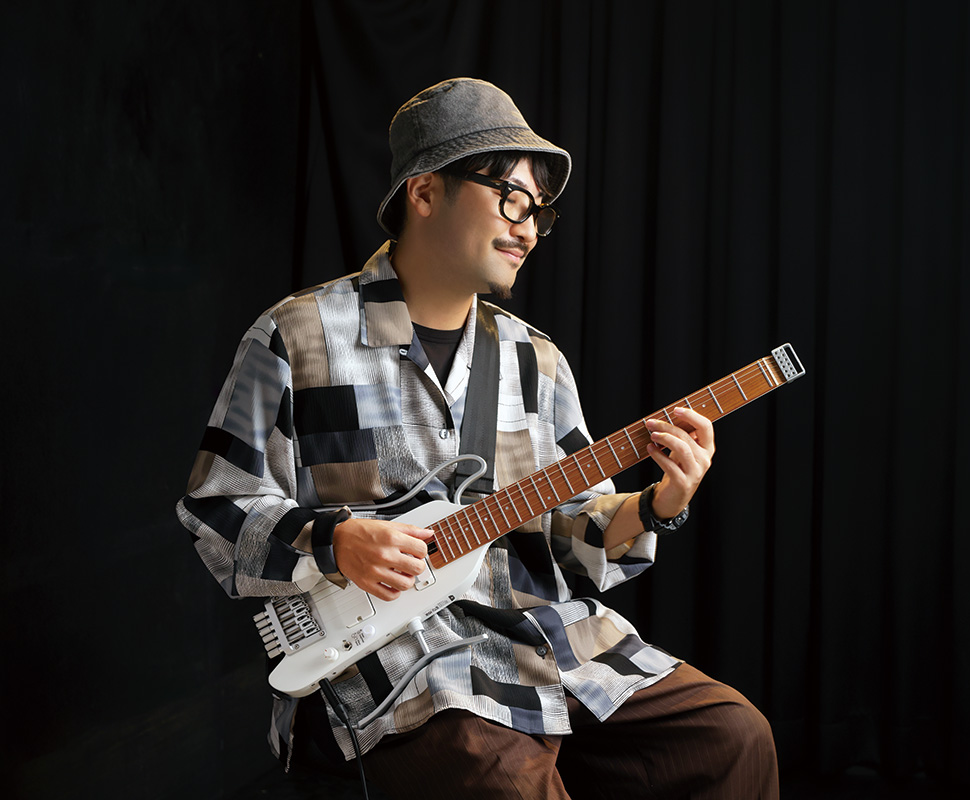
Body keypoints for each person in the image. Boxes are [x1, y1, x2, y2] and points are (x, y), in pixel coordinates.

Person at [178, 77, 778, 799]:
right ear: (425, 192)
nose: (529, 228)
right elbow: (217, 508)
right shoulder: (297, 336)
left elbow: (573, 533)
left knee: (736, 737)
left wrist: (656, 505)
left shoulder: (537, 360)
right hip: (398, 660)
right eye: (511, 198)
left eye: (539, 210)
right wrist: (336, 540)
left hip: (544, 637)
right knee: (505, 779)